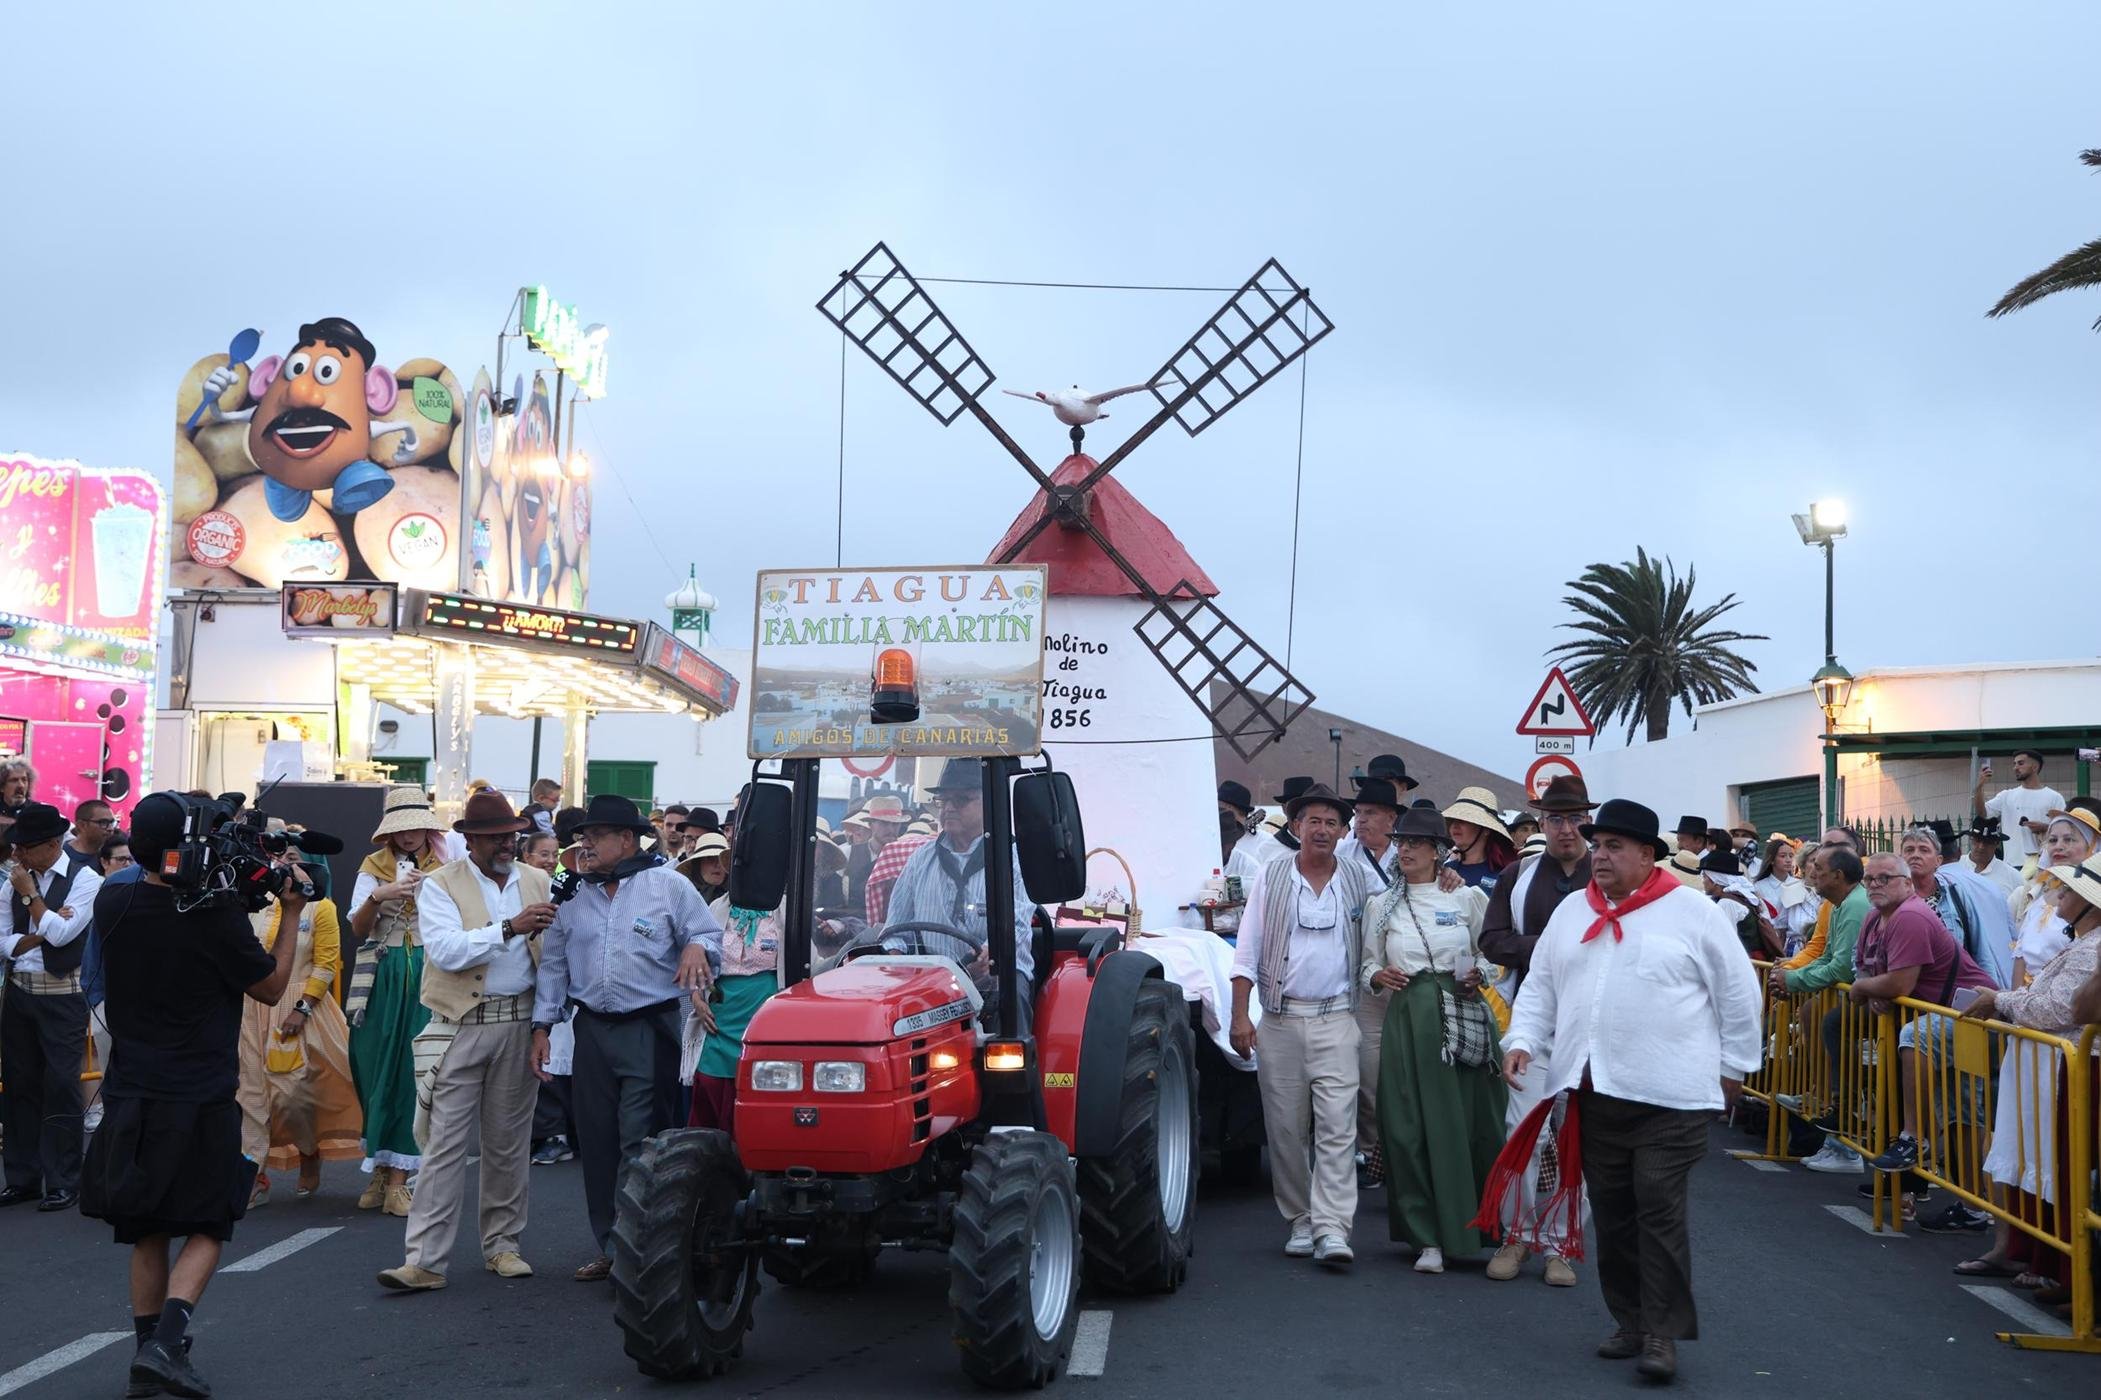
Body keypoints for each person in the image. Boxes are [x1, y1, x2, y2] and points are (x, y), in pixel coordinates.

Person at [1488, 798, 1763, 1384]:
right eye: (1598, 844)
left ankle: (1662, 1334)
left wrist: (1736, 1068)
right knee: (1612, 1214)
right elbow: (1539, 987)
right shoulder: (1569, 913)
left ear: (1647, 854)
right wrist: (1523, 1038)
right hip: (1593, 1093)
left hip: (1671, 1097)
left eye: (1615, 846)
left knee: (1656, 1206)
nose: (1601, 855)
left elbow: (1739, 993)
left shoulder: (1693, 913)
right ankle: (1630, 1320)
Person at [80, 792, 303, 1399]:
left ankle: (143, 1355)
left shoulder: (113, 899)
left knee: (147, 1228)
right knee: (210, 1220)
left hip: (133, 1088)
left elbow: (161, 896)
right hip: (200, 1091)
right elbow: (271, 984)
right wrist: (290, 913)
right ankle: (165, 1344)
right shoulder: (215, 915)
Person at [533, 794, 720, 1282]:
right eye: (583, 837)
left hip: (648, 1027)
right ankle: (612, 1247)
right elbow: (554, 961)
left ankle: (643, 1246)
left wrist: (698, 946)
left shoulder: (667, 886)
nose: (586, 844)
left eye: (595, 836)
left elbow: (707, 932)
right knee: (597, 1143)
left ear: (625, 839)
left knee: (640, 1139)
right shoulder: (572, 893)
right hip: (592, 1028)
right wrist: (543, 1026)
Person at [377, 791, 555, 1291]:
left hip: (519, 1022)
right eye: (496, 836)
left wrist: (545, 1027)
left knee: (508, 1145)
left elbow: (553, 958)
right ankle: (425, 1261)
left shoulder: (536, 879)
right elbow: (448, 952)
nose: (507, 843)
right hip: (460, 1024)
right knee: (442, 1146)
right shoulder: (440, 884)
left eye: (511, 834)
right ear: (470, 840)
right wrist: (508, 928)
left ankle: (503, 1246)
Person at [1228, 783, 1371, 1268]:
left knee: (1337, 1128)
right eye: (1314, 821)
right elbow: (1246, 949)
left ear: (1342, 831)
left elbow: (1394, 908)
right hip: (1281, 1020)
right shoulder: (1272, 876)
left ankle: (1333, 1227)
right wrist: (1239, 1017)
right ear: (1295, 827)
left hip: (1336, 1018)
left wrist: (1449, 880)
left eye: (1333, 823)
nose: (1323, 830)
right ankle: (1301, 1219)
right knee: (1286, 1129)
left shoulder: (1355, 878)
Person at [1361, 805, 1505, 1274]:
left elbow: (1491, 955)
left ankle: (1478, 1228)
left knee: (1467, 1123)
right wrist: (1378, 974)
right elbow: (1364, 965)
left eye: (1415, 844)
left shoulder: (1464, 900)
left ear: (1438, 852)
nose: (1404, 851)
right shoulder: (1380, 906)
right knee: (1408, 1126)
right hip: (1408, 1021)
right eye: (1400, 843)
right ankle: (1426, 1238)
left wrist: (1477, 975)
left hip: (1461, 1013)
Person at [1477, 773, 1595, 1287]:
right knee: (1522, 1133)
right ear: (1540, 822)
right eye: (1554, 818)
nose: (1564, 828)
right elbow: (1493, 941)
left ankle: (1560, 1243)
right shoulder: (1520, 876)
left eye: (1572, 818)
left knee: (1582, 1142)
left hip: (1593, 1027)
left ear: (1587, 819)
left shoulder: (1608, 870)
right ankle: (1518, 1234)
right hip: (1535, 1020)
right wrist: (1549, 948)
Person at [1855, 852, 1996, 1175]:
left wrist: (1866, 989)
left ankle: (1915, 1138)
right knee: (1958, 1110)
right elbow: (1863, 967)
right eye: (1869, 879)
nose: (1875, 885)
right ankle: (1968, 1205)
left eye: (1884, 878)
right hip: (1942, 1016)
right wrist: (1873, 985)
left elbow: (1900, 983)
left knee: (1962, 1110)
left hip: (1971, 1014)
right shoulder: (1873, 917)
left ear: (1907, 884)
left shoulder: (1911, 916)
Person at [345, 786, 448, 1215]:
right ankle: (382, 1170)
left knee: (414, 1072)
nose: (408, 837)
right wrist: (379, 896)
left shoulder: (445, 867)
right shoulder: (372, 869)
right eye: (400, 830)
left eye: (415, 828)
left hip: (426, 972)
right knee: (371, 1069)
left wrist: (431, 893)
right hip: (381, 975)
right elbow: (357, 930)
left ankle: (401, 1179)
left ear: (427, 827)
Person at [237, 855, 361, 1206]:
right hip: (252, 1008)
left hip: (301, 1009)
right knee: (251, 1097)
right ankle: (253, 1175)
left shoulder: (320, 907)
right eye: (280, 857)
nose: (286, 865)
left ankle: (308, 1150)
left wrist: (302, 1007)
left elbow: (325, 963)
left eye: (295, 858)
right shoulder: (254, 903)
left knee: (292, 1094)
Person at [880, 761, 1036, 1027]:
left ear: (988, 804)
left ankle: (1019, 1068)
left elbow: (1018, 921)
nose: (950, 808)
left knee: (1012, 996)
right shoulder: (921, 859)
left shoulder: (1014, 858)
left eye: (962, 799)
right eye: (944, 800)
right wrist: (896, 961)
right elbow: (896, 927)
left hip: (995, 975)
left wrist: (990, 952)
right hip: (931, 978)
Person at [2, 801, 103, 1211]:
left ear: (51, 844)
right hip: (21, 992)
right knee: (19, 1085)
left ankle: (63, 1180)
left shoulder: (86, 879)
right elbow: (4, 941)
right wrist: (41, 929)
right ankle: (22, 1178)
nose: (17, 856)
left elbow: (63, 936)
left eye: (24, 847)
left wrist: (31, 900)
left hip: (63, 995)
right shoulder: (11, 880)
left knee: (62, 1086)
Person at [1770, 846, 1871, 1174]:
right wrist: (1792, 976)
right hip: (1856, 995)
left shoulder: (1854, 905)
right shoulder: (1839, 903)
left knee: (1829, 1020)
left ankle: (1839, 1110)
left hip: (1874, 1000)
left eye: (1819, 869)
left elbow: (1841, 968)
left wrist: (1793, 979)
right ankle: (1823, 1096)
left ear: (1838, 876)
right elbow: (1827, 956)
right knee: (1816, 1012)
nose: (1812, 873)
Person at [689, 886, 783, 1134]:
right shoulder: (717, 908)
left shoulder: (782, 907)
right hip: (721, 1010)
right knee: (711, 1081)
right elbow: (698, 954)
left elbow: (809, 960)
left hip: (764, 1009)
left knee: (755, 1081)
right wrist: (697, 997)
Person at [1896, 824, 2010, 988]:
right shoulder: (1892, 899)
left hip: (1951, 998)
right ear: (1900, 858)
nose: (1915, 855)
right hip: (1906, 999)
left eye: (1924, 850)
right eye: (1909, 850)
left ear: (1938, 861)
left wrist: (1988, 990)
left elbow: (1980, 948)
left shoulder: (1956, 894)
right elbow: (1864, 950)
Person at [1973, 749, 2063, 868]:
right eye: (2014, 764)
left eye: (2020, 763)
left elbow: (2064, 830)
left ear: (2034, 767)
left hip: (2044, 865)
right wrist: (1980, 786)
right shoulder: (2006, 796)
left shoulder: (2054, 797)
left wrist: (2045, 828)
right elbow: (1982, 813)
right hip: (2011, 865)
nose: (2015, 768)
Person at [1443, 787, 1516, 891]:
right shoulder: (1444, 870)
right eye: (1453, 819)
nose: (1455, 825)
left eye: (1464, 819)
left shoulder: (1504, 876)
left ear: (1486, 829)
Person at [1962, 818, 2021, 897]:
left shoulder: (2012, 877)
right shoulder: (1955, 867)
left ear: (1997, 843)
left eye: (1987, 842)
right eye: (1977, 840)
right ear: (1970, 839)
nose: (1981, 847)